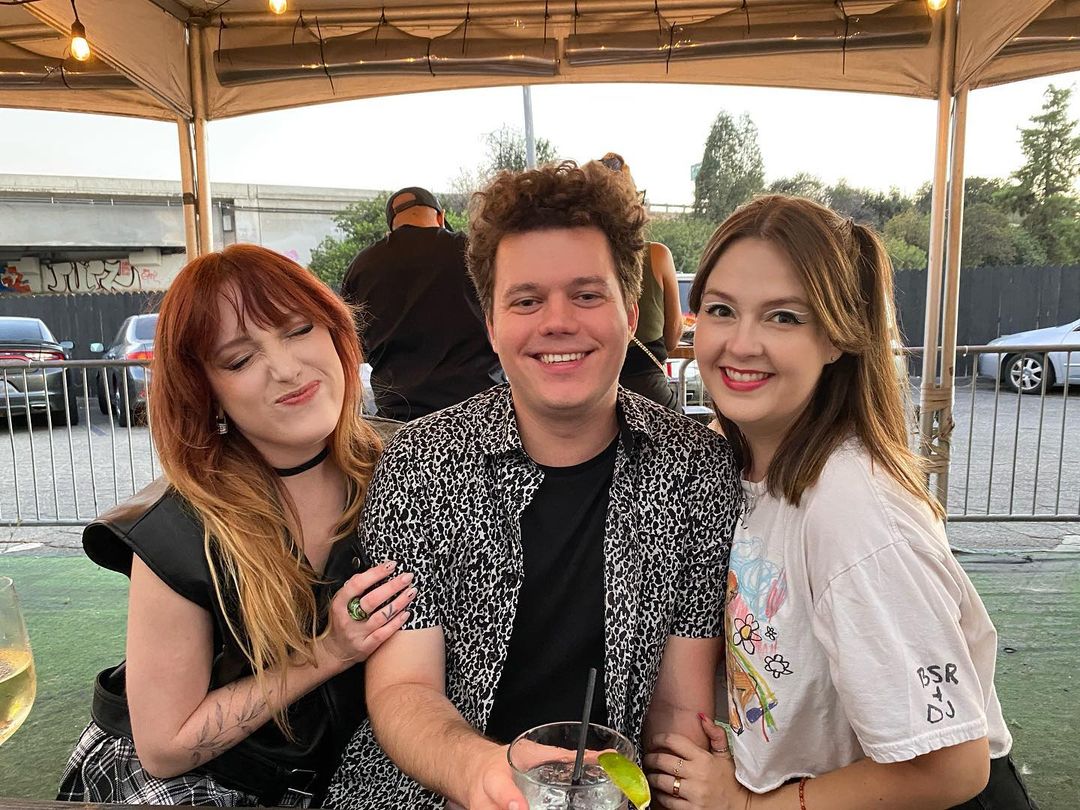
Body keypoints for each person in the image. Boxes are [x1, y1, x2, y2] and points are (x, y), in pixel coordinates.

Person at [324, 162, 743, 810]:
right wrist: (482, 774)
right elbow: (404, 687)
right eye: (526, 301)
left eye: (587, 295)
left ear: (630, 314)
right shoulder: (419, 466)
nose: (557, 322)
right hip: (425, 791)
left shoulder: (696, 470)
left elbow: (676, 709)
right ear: (491, 326)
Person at [643, 196, 1037, 810]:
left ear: (837, 338)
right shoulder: (742, 457)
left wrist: (749, 807)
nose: (740, 344)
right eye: (721, 310)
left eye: (783, 317)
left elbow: (951, 766)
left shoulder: (853, 510)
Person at [57, 244, 416, 807]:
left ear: (336, 332)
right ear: (205, 390)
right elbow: (165, 747)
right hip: (201, 781)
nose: (286, 369)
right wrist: (329, 651)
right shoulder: (180, 529)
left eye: (299, 330)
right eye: (240, 359)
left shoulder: (411, 466)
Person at [339, 186, 503, 420]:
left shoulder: (361, 266)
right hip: (482, 410)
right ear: (441, 217)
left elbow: (353, 347)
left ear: (392, 227)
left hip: (401, 419)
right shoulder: (471, 251)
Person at [594, 153, 683, 411]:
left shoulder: (580, 260)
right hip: (651, 391)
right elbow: (673, 337)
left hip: (598, 393)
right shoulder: (658, 255)